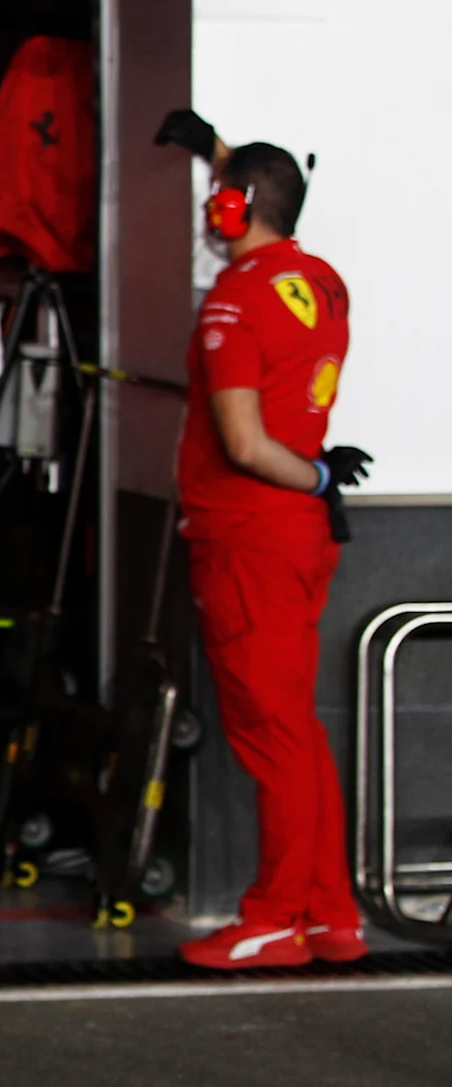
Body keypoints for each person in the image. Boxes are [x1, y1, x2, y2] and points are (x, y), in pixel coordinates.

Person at [171, 140, 373, 969]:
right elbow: (272, 182)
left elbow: (246, 444)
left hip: (248, 536)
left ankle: (275, 917)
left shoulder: (235, 301)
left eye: (216, 195)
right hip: (295, 540)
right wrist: (226, 152)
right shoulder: (323, 282)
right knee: (298, 732)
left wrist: (316, 472)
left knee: (273, 737)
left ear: (233, 206)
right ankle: (332, 915)